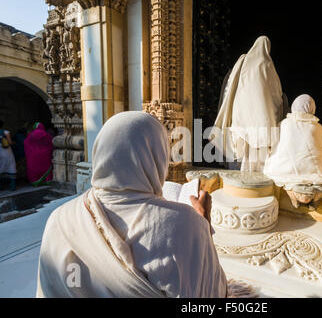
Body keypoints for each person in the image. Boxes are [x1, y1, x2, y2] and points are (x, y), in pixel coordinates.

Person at [36, 111, 227, 298]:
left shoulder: (60, 219)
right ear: (157, 156)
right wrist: (202, 224)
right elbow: (211, 294)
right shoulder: (185, 225)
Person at [212, 36, 284, 172]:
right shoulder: (267, 65)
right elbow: (275, 95)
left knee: (241, 157)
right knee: (259, 160)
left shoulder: (243, 63)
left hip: (241, 119)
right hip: (262, 121)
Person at [264, 94, 322, 189]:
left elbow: (274, 146)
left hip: (282, 170)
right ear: (312, 108)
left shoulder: (284, 124)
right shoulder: (317, 127)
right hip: (314, 172)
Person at [0, 120, 16, 191]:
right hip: (6, 151)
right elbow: (10, 142)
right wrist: (14, 143)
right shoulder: (6, 132)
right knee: (11, 166)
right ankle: (12, 187)